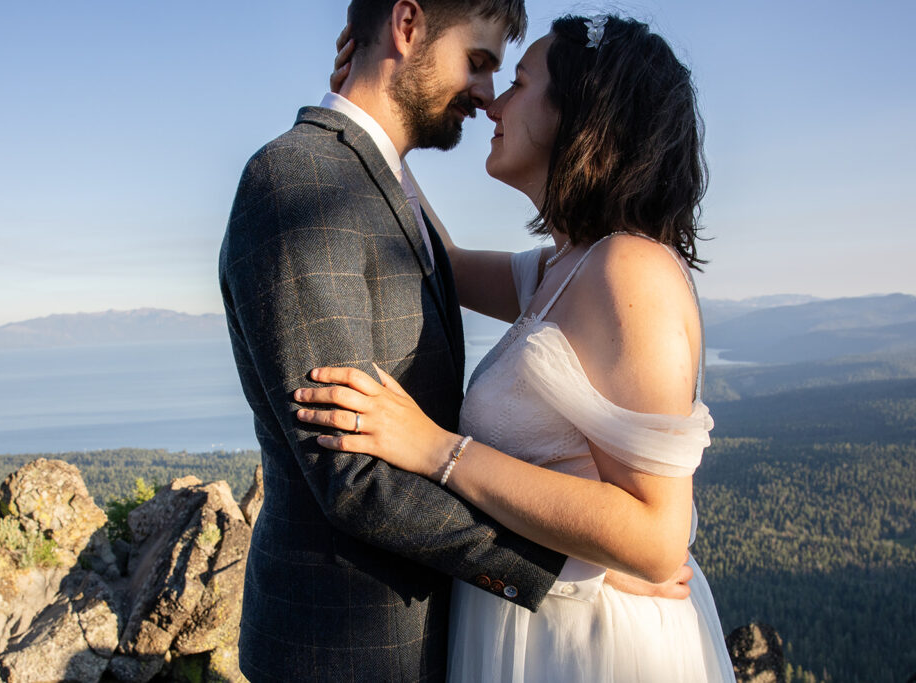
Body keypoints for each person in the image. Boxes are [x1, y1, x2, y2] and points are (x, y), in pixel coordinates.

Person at [220, 2, 686, 680]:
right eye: (480, 62)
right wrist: (564, 575)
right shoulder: (300, 180)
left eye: (511, 79)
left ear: (579, 115)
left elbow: (657, 531)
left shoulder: (615, 268)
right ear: (407, 28)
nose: (489, 96)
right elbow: (352, 474)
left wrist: (440, 449)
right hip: (348, 657)